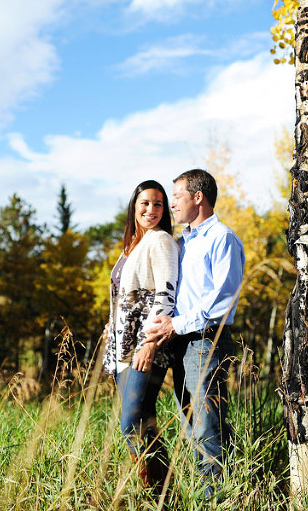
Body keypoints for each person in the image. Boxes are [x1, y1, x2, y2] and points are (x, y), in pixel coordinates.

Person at [144, 168, 245, 499]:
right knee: (193, 427)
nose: (171, 204)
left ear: (197, 197)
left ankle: (213, 500)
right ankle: (220, 494)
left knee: (206, 429)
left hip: (206, 342)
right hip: (180, 344)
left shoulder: (223, 239)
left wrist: (176, 324)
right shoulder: (182, 242)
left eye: (176, 197)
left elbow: (223, 303)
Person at [103, 180, 179, 499]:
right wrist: (111, 327)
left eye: (158, 204)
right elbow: (123, 298)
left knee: (131, 424)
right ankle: (167, 495)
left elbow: (166, 294)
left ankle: (152, 495)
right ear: (134, 206)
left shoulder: (160, 240)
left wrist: (148, 343)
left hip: (143, 346)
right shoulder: (132, 245)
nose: (151, 210)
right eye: (145, 203)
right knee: (144, 423)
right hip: (122, 347)